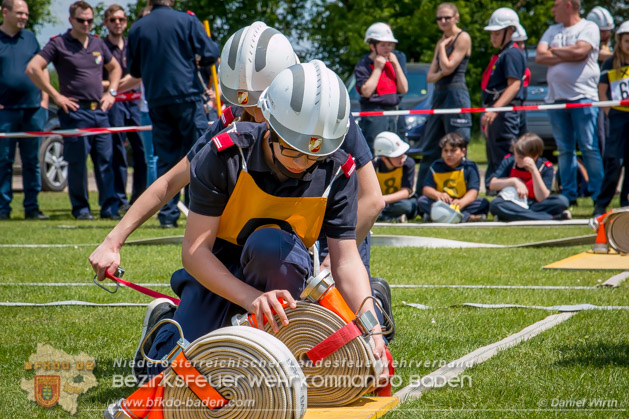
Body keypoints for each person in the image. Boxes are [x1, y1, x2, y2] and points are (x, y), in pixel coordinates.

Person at [142, 60, 389, 380]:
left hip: (283, 264)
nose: (303, 164)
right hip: (218, 264)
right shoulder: (224, 156)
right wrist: (253, 300)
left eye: (315, 156)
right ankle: (165, 324)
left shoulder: (337, 170)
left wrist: (372, 331)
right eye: (292, 151)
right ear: (269, 125)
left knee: (272, 247)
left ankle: (275, 344)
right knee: (176, 377)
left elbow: (345, 261)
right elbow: (194, 252)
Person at [90, 22, 384, 284]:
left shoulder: (326, 117)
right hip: (268, 245)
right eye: (247, 106)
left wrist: (329, 263)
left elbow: (371, 200)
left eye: (261, 104)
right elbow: (170, 182)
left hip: (332, 237)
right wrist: (113, 240)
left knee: (349, 326)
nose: (255, 117)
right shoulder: (234, 119)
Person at [127, 0, 219, 228]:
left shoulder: (138, 27)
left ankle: (167, 215)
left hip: (158, 99)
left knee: (166, 160)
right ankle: (194, 210)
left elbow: (134, 70)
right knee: (197, 156)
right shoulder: (187, 20)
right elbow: (211, 52)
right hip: (186, 96)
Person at [26, 0, 121, 220]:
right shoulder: (58, 43)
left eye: (90, 20)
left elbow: (115, 67)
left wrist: (112, 93)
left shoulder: (98, 43)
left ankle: (109, 208)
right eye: (81, 20)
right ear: (71, 20)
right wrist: (57, 96)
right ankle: (81, 209)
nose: (86, 23)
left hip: (100, 111)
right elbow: (33, 68)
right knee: (77, 162)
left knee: (106, 160)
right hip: (75, 112)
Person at [536, 0, 604, 206]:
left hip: (583, 97)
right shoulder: (552, 29)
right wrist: (569, 52)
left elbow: (581, 52)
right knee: (564, 150)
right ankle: (568, 195)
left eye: (555, 5)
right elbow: (540, 56)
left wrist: (555, 51)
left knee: (589, 147)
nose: (552, 9)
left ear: (568, 5)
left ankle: (599, 195)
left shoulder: (589, 27)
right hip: (556, 98)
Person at [0, 0, 48, 220]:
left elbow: (42, 69)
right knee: (3, 161)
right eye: (20, 13)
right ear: (5, 12)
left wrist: (45, 99)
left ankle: (32, 207)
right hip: (5, 112)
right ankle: (3, 208)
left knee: (32, 161)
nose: (24, 17)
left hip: (32, 110)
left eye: (26, 14)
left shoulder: (30, 38)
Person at [417, 2, 472, 192]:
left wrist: (441, 48)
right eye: (439, 18)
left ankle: (462, 192)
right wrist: (441, 49)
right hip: (439, 96)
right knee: (430, 147)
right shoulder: (442, 40)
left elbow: (448, 67)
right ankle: (421, 194)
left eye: (447, 17)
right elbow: (431, 77)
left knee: (458, 146)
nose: (443, 21)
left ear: (456, 17)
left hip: (456, 95)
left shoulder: (462, 37)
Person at [103, 4, 146, 210]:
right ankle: (119, 199)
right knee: (117, 152)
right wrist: (115, 84)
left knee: (142, 152)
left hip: (135, 103)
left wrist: (114, 82)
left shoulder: (133, 45)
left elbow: (139, 76)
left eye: (121, 19)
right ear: (106, 22)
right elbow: (94, 81)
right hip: (114, 104)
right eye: (113, 20)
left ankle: (138, 199)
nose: (117, 23)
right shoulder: (101, 47)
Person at [481, 8, 528, 185]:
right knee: (495, 154)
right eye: (491, 33)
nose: (493, 37)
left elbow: (514, 85)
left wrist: (495, 109)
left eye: (497, 33)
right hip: (498, 111)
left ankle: (507, 190)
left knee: (505, 153)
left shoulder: (512, 53)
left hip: (505, 112)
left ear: (510, 31)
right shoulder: (502, 53)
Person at [488, 133, 570, 221]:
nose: (516, 159)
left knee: (562, 201)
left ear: (534, 157)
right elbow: (492, 184)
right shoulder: (509, 161)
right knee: (495, 204)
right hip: (513, 202)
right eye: (516, 155)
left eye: (521, 157)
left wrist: (534, 171)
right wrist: (514, 181)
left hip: (536, 204)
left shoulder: (545, 167)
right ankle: (549, 218)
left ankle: (518, 214)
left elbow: (542, 198)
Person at [354, 22, 408, 153]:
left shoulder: (398, 59)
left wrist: (396, 65)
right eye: (383, 45)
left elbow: (404, 89)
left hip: (395, 112)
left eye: (390, 44)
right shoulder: (363, 65)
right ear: (372, 46)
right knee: (374, 151)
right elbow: (366, 92)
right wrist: (378, 68)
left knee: (398, 150)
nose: (387, 48)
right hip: (375, 114)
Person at [594, 21, 629, 217]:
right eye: (626, 41)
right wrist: (610, 113)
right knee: (614, 162)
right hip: (617, 118)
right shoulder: (610, 63)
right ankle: (602, 203)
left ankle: (626, 203)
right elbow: (602, 92)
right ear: (619, 41)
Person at [418, 133, 489, 222]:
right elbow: (426, 189)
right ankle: (466, 217)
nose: (449, 154)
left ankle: (437, 216)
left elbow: (473, 191)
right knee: (422, 201)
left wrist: (462, 202)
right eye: (445, 151)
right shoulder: (435, 166)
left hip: (461, 203)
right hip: (442, 204)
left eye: (453, 151)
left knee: (483, 203)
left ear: (463, 152)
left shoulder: (469, 167)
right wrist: (438, 195)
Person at [372, 132, 416, 222]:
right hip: (379, 202)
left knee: (408, 206)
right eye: (397, 155)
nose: (402, 157)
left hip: (397, 202)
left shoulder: (408, 163)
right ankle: (392, 217)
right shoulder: (373, 166)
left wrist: (382, 200)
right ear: (384, 158)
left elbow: (406, 192)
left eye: (403, 153)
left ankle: (380, 216)